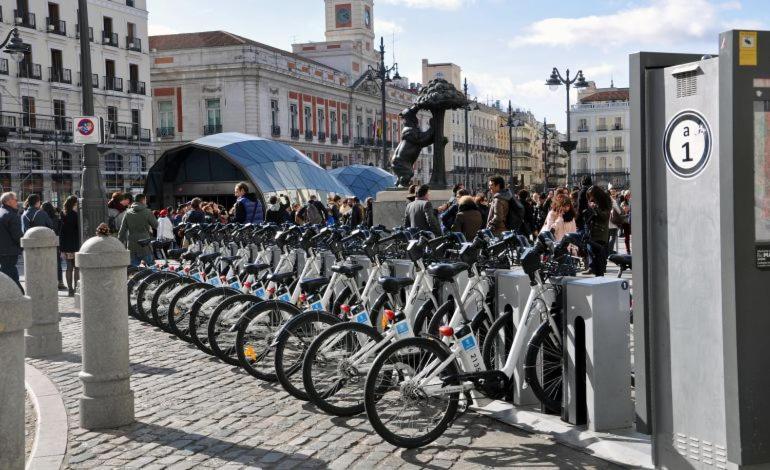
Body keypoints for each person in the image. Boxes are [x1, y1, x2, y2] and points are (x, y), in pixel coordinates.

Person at [118, 194, 158, 266]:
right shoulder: (147, 212)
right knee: (152, 266)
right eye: (145, 200)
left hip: (132, 245)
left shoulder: (128, 213)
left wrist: (118, 242)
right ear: (143, 200)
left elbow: (122, 230)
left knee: (132, 269)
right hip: (144, 244)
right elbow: (156, 225)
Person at [584, 186, 612, 276]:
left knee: (599, 257)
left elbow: (605, 216)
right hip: (592, 232)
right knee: (593, 255)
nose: (590, 199)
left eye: (591, 196)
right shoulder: (594, 202)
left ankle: (600, 276)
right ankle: (596, 273)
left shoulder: (605, 201)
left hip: (601, 233)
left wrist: (595, 208)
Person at [0, 192, 23, 292]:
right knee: (10, 276)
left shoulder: (1, 212)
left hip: (3, 250)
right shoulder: (11, 215)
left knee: (7, 274)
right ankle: (20, 296)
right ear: (8, 201)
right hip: (9, 251)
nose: (17, 202)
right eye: (15, 200)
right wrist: (23, 247)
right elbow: (17, 236)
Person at [59, 196, 81, 296]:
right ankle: (76, 288)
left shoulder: (63, 214)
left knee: (69, 267)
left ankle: (70, 289)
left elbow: (61, 231)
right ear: (74, 204)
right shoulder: (76, 215)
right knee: (76, 267)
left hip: (66, 244)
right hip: (76, 244)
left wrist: (62, 248)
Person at [41, 201, 65, 289]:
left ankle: (49, 281)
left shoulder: (43, 218)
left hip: (46, 242)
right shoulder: (56, 218)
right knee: (58, 262)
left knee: (46, 262)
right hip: (56, 241)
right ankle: (60, 281)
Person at [608, 188, 623, 254]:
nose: (614, 194)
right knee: (613, 238)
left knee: (607, 238)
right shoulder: (612, 200)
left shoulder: (603, 200)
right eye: (612, 192)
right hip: (613, 222)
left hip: (606, 223)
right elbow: (619, 211)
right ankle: (609, 251)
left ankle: (607, 251)